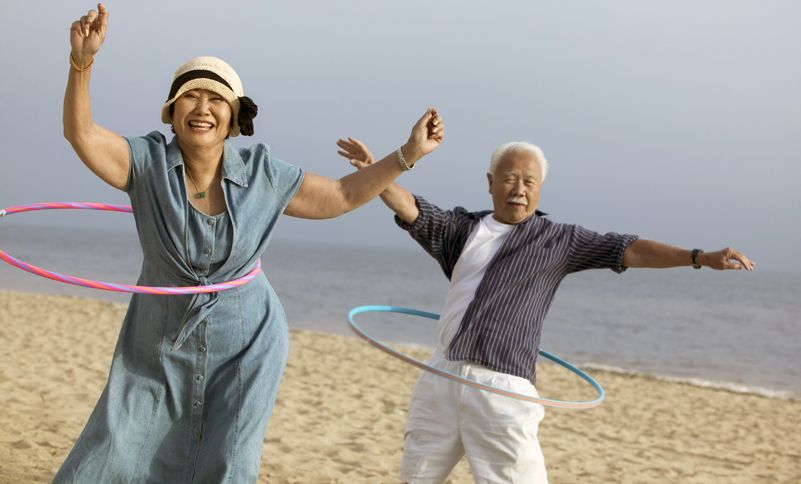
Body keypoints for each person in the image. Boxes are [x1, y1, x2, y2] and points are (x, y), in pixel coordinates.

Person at [55, 4, 444, 483]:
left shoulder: (263, 174)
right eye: (190, 97)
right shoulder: (146, 163)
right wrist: (82, 61)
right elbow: (81, 133)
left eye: (215, 99)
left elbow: (342, 195)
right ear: (172, 110)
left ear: (234, 116)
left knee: (229, 463)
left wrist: (408, 153)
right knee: (112, 450)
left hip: (247, 345)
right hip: (156, 343)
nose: (202, 109)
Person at [337, 137, 753, 484]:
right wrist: (378, 170)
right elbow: (409, 205)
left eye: (529, 181)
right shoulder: (459, 230)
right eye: (510, 178)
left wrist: (698, 256)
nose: (519, 188)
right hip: (441, 377)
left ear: (540, 188)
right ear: (490, 183)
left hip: (503, 389)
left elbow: (628, 248)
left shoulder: (560, 241)